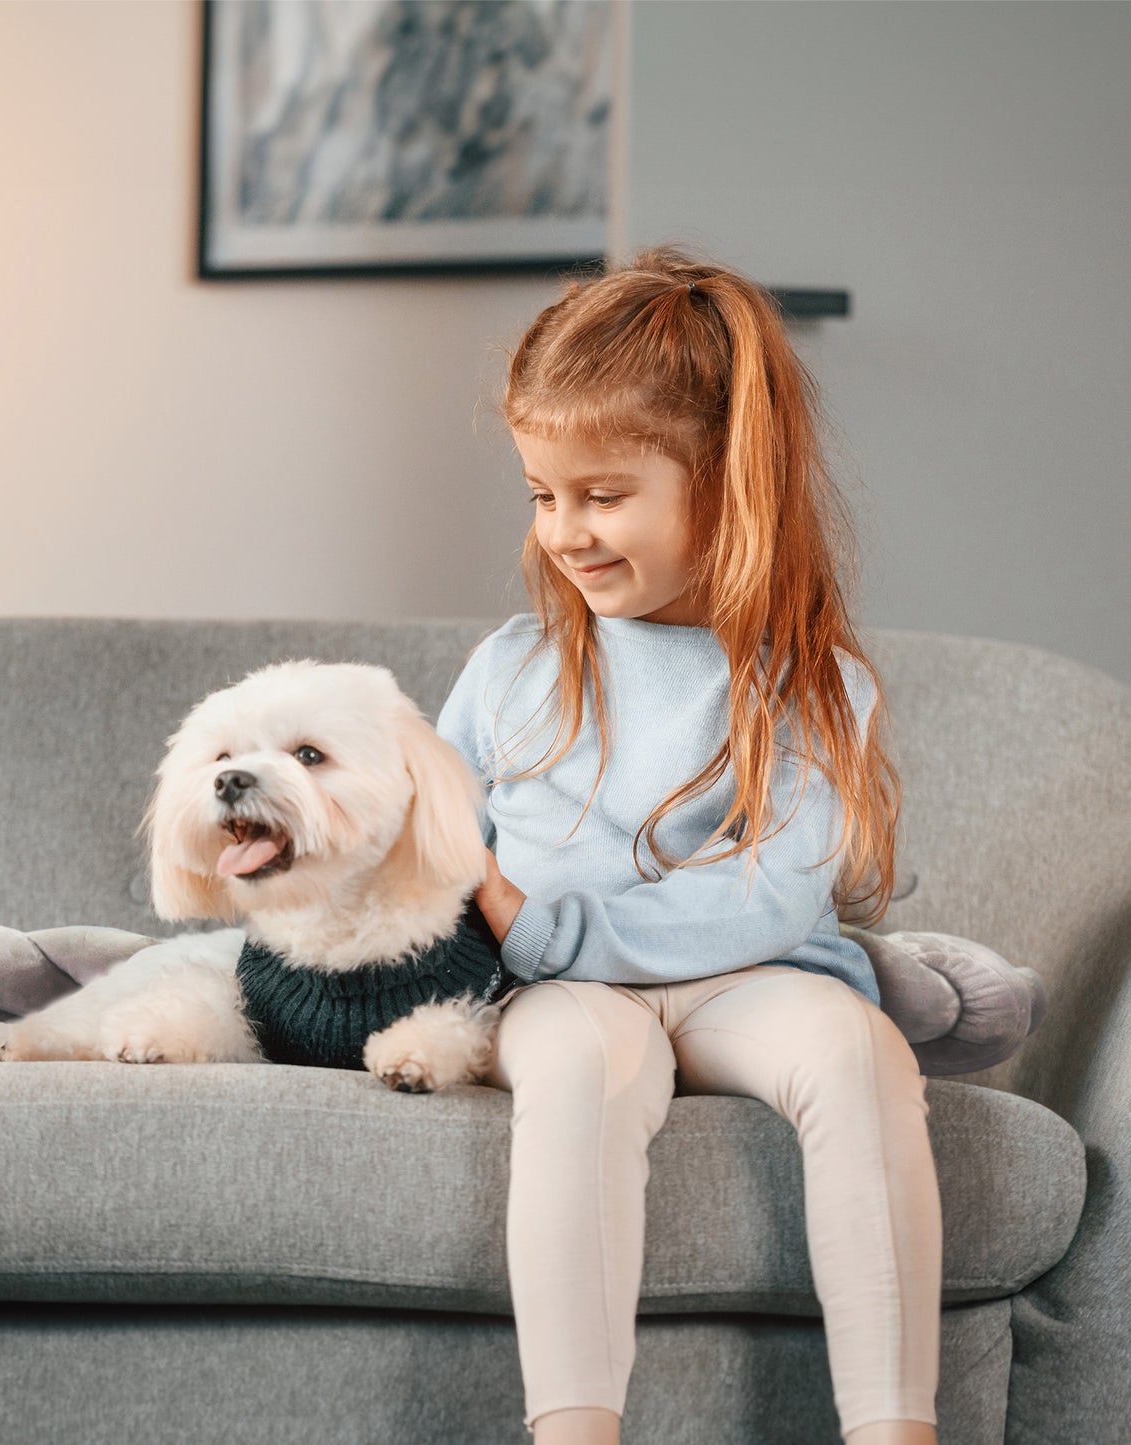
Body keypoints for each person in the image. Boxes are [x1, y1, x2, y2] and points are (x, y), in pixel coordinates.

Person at [436, 245, 941, 1445]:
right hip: (563, 989)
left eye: (603, 495)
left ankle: (894, 1429)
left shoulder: (811, 685)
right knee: (572, 1065)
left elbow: (770, 896)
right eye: (539, 494)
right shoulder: (513, 664)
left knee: (858, 1050)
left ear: (726, 484)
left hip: (740, 980)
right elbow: (432, 829)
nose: (564, 530)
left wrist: (544, 920)